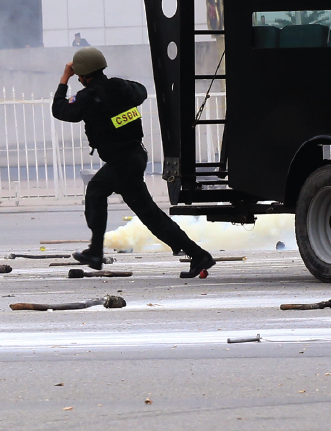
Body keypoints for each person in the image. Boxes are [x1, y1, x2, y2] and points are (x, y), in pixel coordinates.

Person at [53, 47, 215, 279]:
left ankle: (197, 254)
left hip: (122, 163)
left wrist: (64, 78)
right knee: (109, 197)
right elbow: (141, 91)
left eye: (78, 75)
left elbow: (59, 109)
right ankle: (96, 251)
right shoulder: (121, 86)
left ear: (83, 76)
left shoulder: (88, 97)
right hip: (134, 156)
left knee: (133, 208)